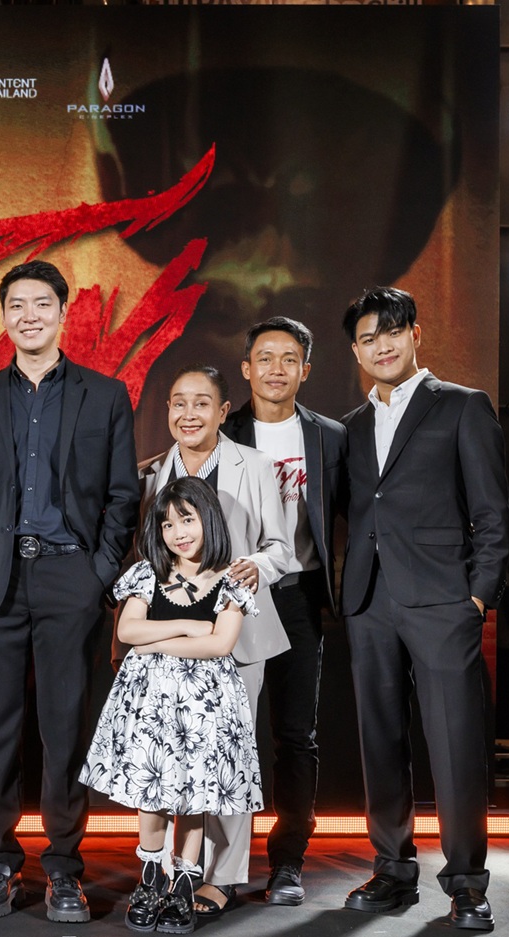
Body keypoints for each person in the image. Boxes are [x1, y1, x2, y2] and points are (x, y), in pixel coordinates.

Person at [0, 260, 140, 923]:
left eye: (42, 303)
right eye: (17, 304)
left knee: (65, 731)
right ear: (4, 316)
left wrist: (97, 574)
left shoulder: (105, 395)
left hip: (70, 577)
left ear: (64, 313)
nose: (29, 315)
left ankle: (64, 868)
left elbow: (123, 495)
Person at [338, 286, 509, 931]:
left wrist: (478, 596)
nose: (380, 346)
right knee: (379, 739)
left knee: (456, 742)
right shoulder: (352, 426)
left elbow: (493, 512)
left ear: (415, 334)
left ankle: (466, 882)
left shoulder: (462, 406)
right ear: (356, 352)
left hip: (443, 599)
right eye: (367, 338)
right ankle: (392, 869)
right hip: (369, 600)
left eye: (391, 332)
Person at [81, 476, 262, 935]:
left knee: (193, 794)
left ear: (208, 520)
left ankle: (184, 881)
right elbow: (128, 631)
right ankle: (150, 879)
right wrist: (187, 626)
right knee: (152, 790)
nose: (178, 532)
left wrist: (155, 643)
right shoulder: (147, 574)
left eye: (187, 520)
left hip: (205, 706)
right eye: (166, 525)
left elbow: (220, 644)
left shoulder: (230, 580)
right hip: (151, 704)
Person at [140, 364, 291, 914]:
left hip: (236, 633)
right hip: (172, 639)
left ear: (224, 411)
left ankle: (221, 877)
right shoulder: (153, 472)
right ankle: (174, 871)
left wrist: (255, 566)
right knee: (174, 757)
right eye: (179, 403)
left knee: (226, 757)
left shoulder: (256, 465)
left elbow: (281, 548)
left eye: (201, 403)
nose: (189, 414)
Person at [221, 317, 347, 905]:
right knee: (227, 731)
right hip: (231, 598)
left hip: (298, 595)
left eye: (289, 359)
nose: (277, 369)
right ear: (246, 368)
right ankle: (219, 866)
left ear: (306, 370)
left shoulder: (329, 437)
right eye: (265, 358)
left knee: (296, 734)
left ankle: (288, 862)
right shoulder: (224, 431)